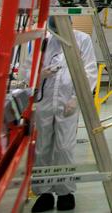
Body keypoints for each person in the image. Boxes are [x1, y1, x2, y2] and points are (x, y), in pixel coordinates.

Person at [32, 29, 97, 212]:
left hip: (67, 100)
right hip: (44, 101)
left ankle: (65, 192)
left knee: (64, 147)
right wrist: (40, 74)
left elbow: (89, 70)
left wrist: (77, 98)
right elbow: (29, 68)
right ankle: (43, 192)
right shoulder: (44, 40)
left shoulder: (82, 39)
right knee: (42, 147)